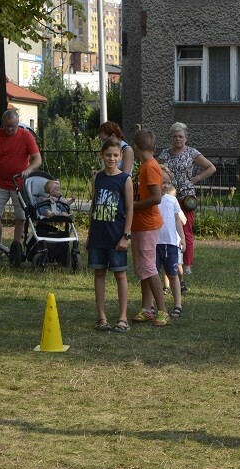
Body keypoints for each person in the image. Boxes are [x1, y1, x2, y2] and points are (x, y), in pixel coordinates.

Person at [0, 109, 42, 262]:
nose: (10, 129)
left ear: (18, 123)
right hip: (1, 183)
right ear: (2, 124)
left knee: (21, 217)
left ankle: (16, 248)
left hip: (19, 183)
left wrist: (28, 169)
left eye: (13, 126)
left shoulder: (26, 136)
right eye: (7, 126)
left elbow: (37, 159)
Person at [158, 121, 216, 278]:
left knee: (186, 229)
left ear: (186, 138)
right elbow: (157, 170)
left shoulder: (192, 153)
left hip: (186, 196)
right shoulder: (165, 154)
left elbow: (211, 167)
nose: (177, 139)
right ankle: (167, 260)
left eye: (180, 136)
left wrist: (197, 178)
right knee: (166, 227)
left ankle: (187, 263)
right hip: (167, 195)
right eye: (175, 136)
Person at [89, 137, 134, 333]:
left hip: (117, 236)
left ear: (121, 156)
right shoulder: (97, 177)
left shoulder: (125, 179)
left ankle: (123, 317)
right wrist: (89, 235)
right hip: (98, 235)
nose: (112, 158)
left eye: (116, 155)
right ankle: (102, 317)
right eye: (108, 155)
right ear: (102, 155)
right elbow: (93, 206)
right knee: (99, 273)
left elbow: (130, 208)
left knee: (120, 274)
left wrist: (126, 236)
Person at [130, 129, 170, 327]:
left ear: (136, 147)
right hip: (139, 224)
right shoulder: (144, 166)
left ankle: (162, 310)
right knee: (143, 268)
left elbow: (156, 197)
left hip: (147, 224)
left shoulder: (150, 167)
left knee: (148, 267)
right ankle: (147, 308)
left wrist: (132, 206)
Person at [157, 167, 186, 317]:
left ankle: (178, 305)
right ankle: (150, 305)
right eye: (163, 182)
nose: (166, 185)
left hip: (171, 243)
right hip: (154, 243)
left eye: (168, 182)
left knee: (173, 274)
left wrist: (182, 238)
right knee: (153, 274)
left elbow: (177, 220)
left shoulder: (172, 199)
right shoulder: (151, 199)